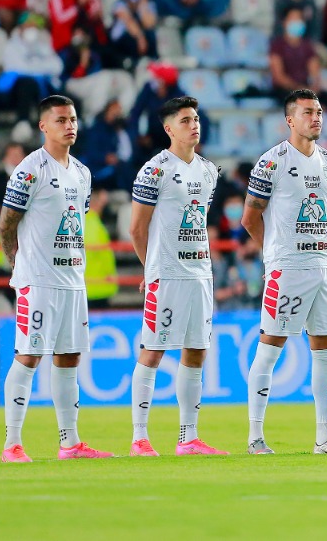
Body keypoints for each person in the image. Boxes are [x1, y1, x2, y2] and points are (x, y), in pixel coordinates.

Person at [243, 89, 327, 456]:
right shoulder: (271, 162)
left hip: (324, 267)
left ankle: (325, 437)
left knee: (326, 351)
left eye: (320, 112)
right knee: (270, 348)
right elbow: (250, 217)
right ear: (290, 120)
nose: (317, 118)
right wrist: (275, 256)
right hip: (288, 269)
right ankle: (255, 438)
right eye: (308, 112)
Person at [0, 95, 111, 462]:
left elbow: (75, 221)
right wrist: (17, 261)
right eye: (61, 120)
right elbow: (6, 223)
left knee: (68, 358)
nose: (70, 126)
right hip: (39, 279)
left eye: (73, 119)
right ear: (43, 126)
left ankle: (70, 443)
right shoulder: (30, 169)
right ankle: (12, 444)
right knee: (29, 355)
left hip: (73, 280)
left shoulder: (82, 172)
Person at [125, 96, 226, 457]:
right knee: (153, 351)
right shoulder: (155, 170)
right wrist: (150, 267)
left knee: (196, 351)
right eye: (185, 120)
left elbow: (197, 221)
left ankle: (188, 437)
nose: (194, 125)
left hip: (200, 274)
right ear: (169, 129)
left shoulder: (209, 170)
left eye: (196, 118)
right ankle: (139, 437)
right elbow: (138, 228)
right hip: (166, 275)